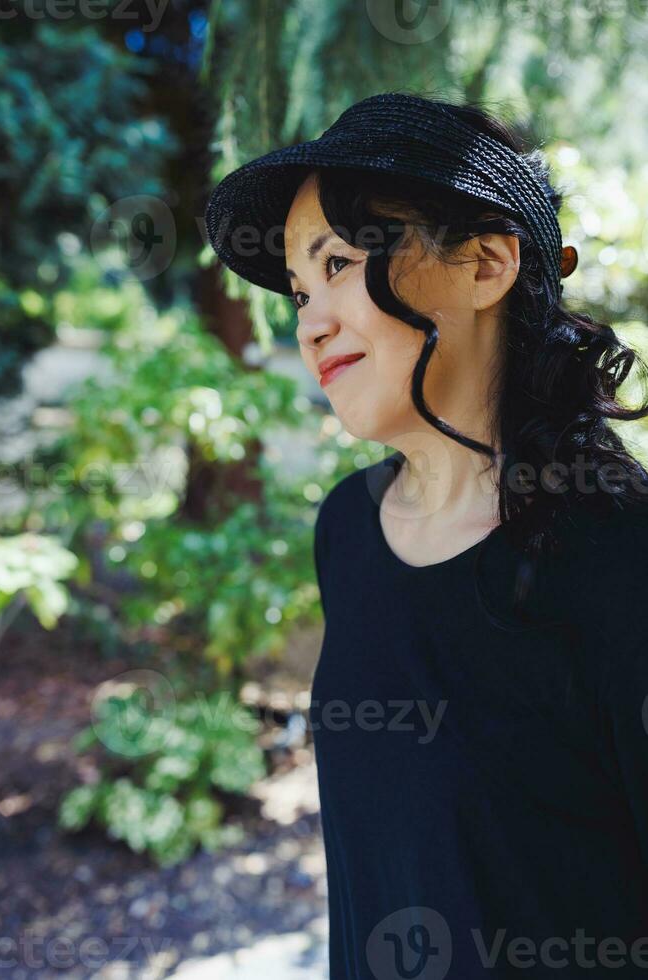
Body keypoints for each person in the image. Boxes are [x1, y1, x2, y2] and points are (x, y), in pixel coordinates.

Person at [205, 91, 648, 978]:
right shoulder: (347, 530)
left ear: (486, 265)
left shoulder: (621, 552)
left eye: (338, 264)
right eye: (298, 290)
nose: (311, 322)